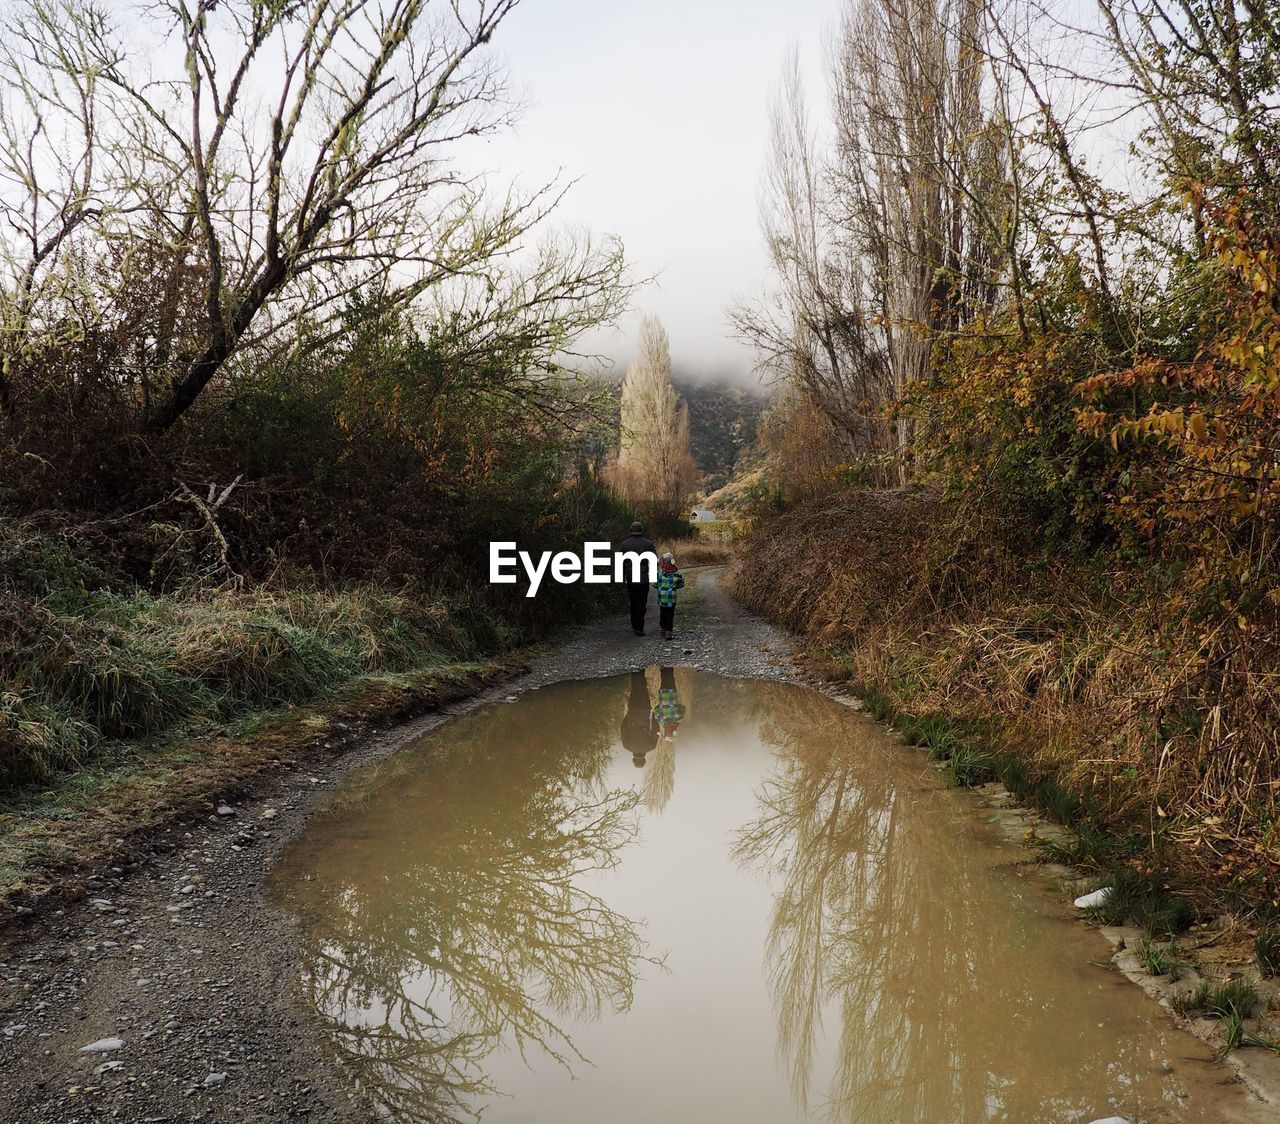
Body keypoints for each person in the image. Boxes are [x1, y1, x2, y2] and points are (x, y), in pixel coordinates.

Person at [615, 520, 657, 636]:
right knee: (642, 603)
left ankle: (634, 625)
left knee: (633, 602)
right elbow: (654, 561)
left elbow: (620, 564)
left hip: (630, 578)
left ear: (631, 530)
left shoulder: (624, 545)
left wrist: (622, 577)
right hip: (643, 579)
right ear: (641, 530)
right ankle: (639, 627)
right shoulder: (648, 544)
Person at [620, 670, 658, 767]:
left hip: (645, 711)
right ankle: (635, 670)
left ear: (644, 759)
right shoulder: (627, 746)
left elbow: (655, 730)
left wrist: (654, 716)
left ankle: (640, 670)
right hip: (633, 712)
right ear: (633, 759)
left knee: (643, 690)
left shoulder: (651, 747)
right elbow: (623, 728)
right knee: (634, 689)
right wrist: (627, 716)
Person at [653, 552, 685, 640]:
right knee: (670, 615)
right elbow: (682, 584)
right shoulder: (677, 574)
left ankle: (663, 628)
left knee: (662, 613)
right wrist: (675, 587)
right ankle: (669, 632)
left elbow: (655, 584)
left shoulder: (659, 574)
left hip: (662, 598)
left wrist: (660, 588)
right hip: (672, 599)